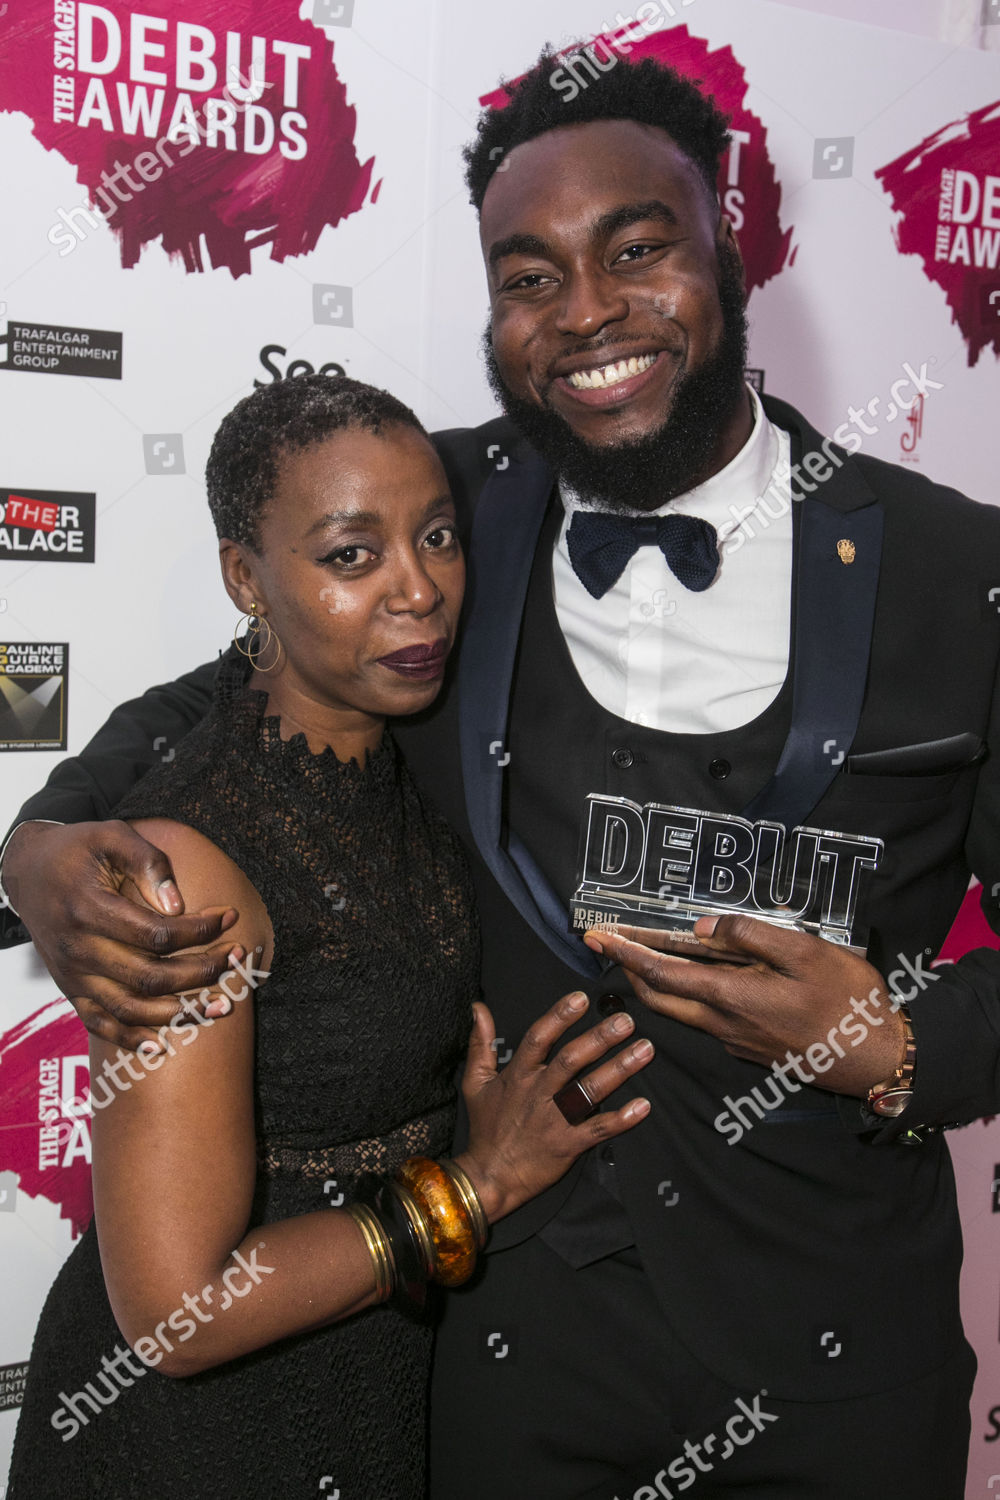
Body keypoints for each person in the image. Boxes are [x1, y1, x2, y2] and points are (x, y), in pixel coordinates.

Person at [2, 43, 998, 1500]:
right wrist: (39, 843)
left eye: (639, 248)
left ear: (732, 247)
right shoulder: (447, 513)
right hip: (507, 1362)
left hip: (837, 1362)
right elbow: (227, 692)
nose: (586, 311)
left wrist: (910, 1044)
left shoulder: (959, 571)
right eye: (527, 275)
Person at [3, 374, 654, 1499]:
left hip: (384, 1377)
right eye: (351, 556)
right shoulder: (182, 872)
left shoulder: (414, 741)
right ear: (246, 579)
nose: (419, 592)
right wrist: (478, 1189)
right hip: (201, 1437)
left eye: (438, 536)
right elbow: (176, 1310)